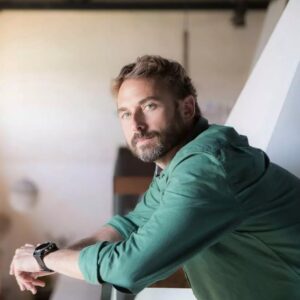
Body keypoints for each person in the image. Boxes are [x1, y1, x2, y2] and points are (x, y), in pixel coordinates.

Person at [10, 55, 300, 300]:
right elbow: (130, 224)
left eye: (149, 106)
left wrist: (43, 258)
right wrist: (53, 258)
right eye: (125, 113)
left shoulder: (207, 167)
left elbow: (129, 267)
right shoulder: (179, 163)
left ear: (187, 108)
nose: (136, 125)